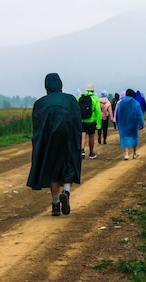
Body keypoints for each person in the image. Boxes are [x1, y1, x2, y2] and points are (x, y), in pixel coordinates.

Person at [27, 73, 82, 216]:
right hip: (68, 136)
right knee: (69, 164)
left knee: (52, 169)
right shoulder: (70, 99)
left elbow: (37, 128)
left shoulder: (40, 103)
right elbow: (77, 122)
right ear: (60, 84)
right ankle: (67, 192)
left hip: (50, 140)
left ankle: (56, 204)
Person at [115, 88, 144, 160]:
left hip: (123, 122)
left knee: (124, 137)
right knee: (134, 136)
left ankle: (126, 154)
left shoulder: (121, 103)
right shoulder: (136, 103)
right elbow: (139, 114)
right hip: (133, 122)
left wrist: (117, 124)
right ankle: (135, 153)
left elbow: (117, 114)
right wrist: (141, 123)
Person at [77, 83, 102, 159]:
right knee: (91, 136)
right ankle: (91, 153)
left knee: (83, 135)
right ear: (93, 90)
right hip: (91, 120)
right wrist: (99, 124)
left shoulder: (80, 97)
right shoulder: (95, 98)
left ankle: (82, 151)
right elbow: (98, 111)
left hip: (82, 120)